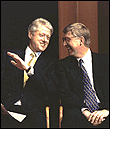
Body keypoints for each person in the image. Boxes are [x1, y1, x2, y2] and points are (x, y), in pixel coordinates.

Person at [1, 18, 57, 128]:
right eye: (41, 35)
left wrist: (29, 70)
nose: (45, 40)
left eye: (48, 37)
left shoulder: (51, 63)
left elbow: (51, 88)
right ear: (30, 34)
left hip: (34, 113)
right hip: (7, 108)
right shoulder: (10, 56)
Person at [55, 23, 109, 128]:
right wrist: (86, 112)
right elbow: (66, 94)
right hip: (79, 112)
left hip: (105, 112)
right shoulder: (62, 66)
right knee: (72, 117)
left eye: (67, 39)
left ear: (81, 40)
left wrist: (106, 110)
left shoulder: (106, 61)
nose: (64, 44)